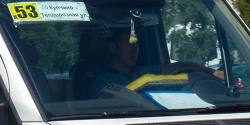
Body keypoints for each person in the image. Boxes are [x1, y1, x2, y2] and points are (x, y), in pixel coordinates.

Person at [90, 27, 222, 98]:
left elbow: (183, 66)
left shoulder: (145, 73)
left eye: (137, 45)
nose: (135, 50)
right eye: (130, 45)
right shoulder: (102, 82)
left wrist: (214, 72)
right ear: (113, 48)